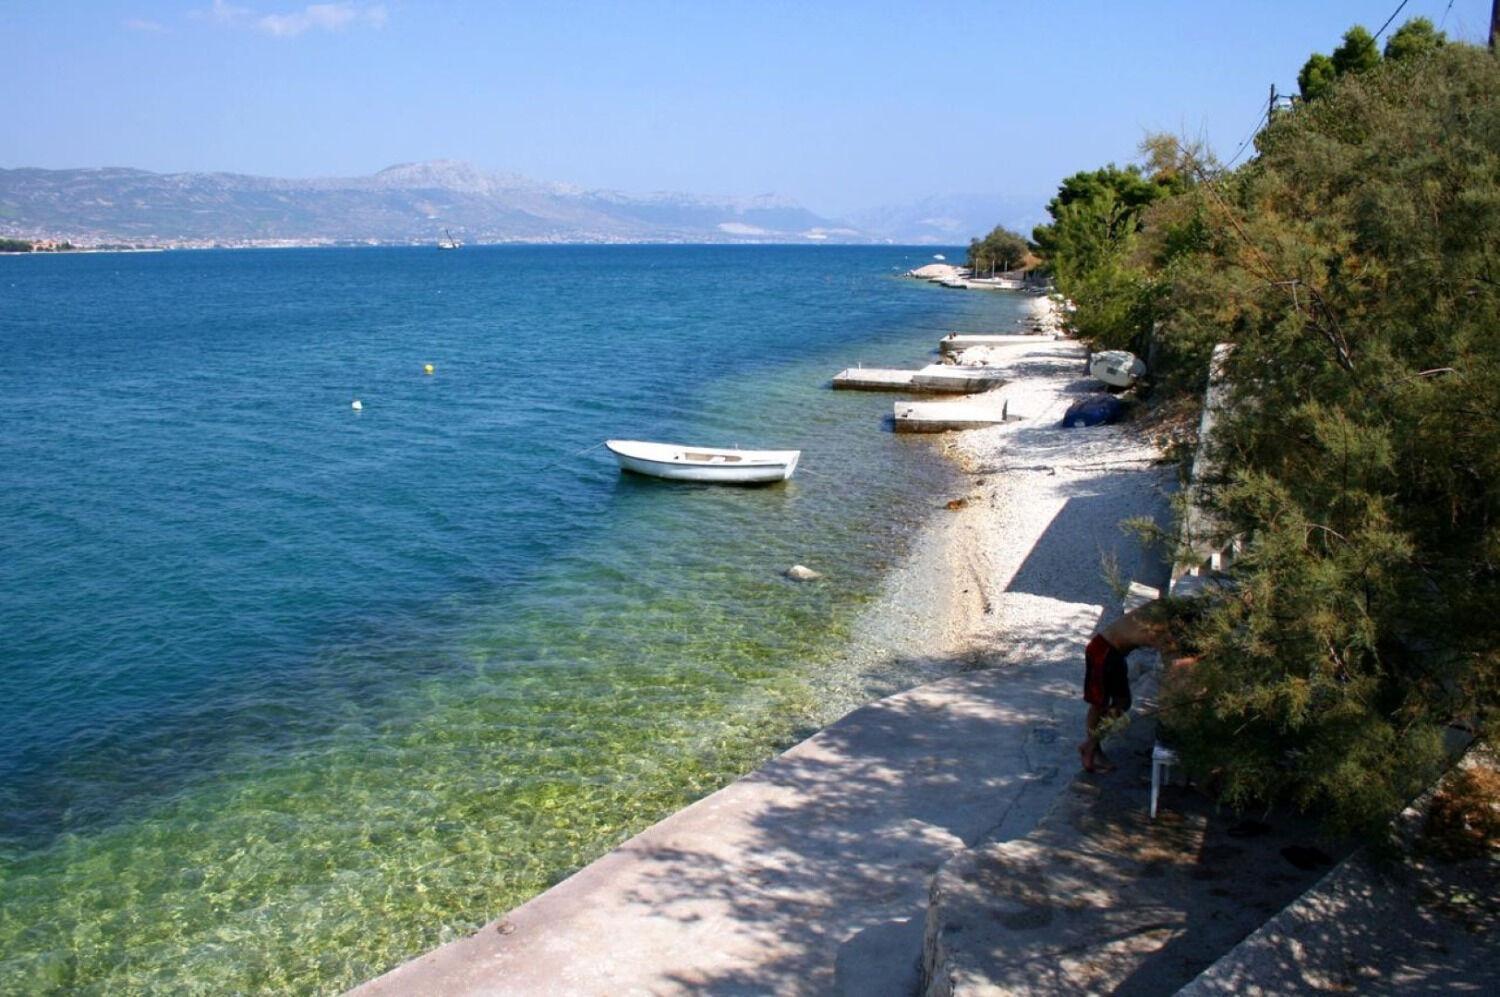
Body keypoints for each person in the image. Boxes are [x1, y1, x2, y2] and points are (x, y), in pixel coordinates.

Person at [1078, 602, 1179, 773]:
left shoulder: (1161, 612)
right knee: (1099, 704)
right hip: (1102, 650)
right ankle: (1091, 748)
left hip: (1115, 654)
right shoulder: (1161, 622)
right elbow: (1170, 656)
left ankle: (1092, 746)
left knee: (1122, 703)